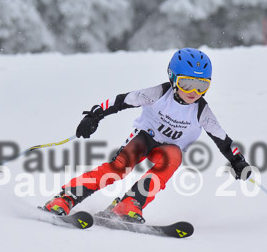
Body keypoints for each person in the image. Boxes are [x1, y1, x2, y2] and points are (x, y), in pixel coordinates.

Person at [43, 47, 251, 223]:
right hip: (144, 139)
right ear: (173, 78)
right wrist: (95, 116)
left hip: (167, 150)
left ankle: (129, 203)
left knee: (174, 157)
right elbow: (122, 100)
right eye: (186, 84)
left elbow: (223, 140)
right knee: (117, 169)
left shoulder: (201, 111)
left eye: (202, 86)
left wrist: (237, 161)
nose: (193, 92)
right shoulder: (159, 94)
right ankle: (65, 198)